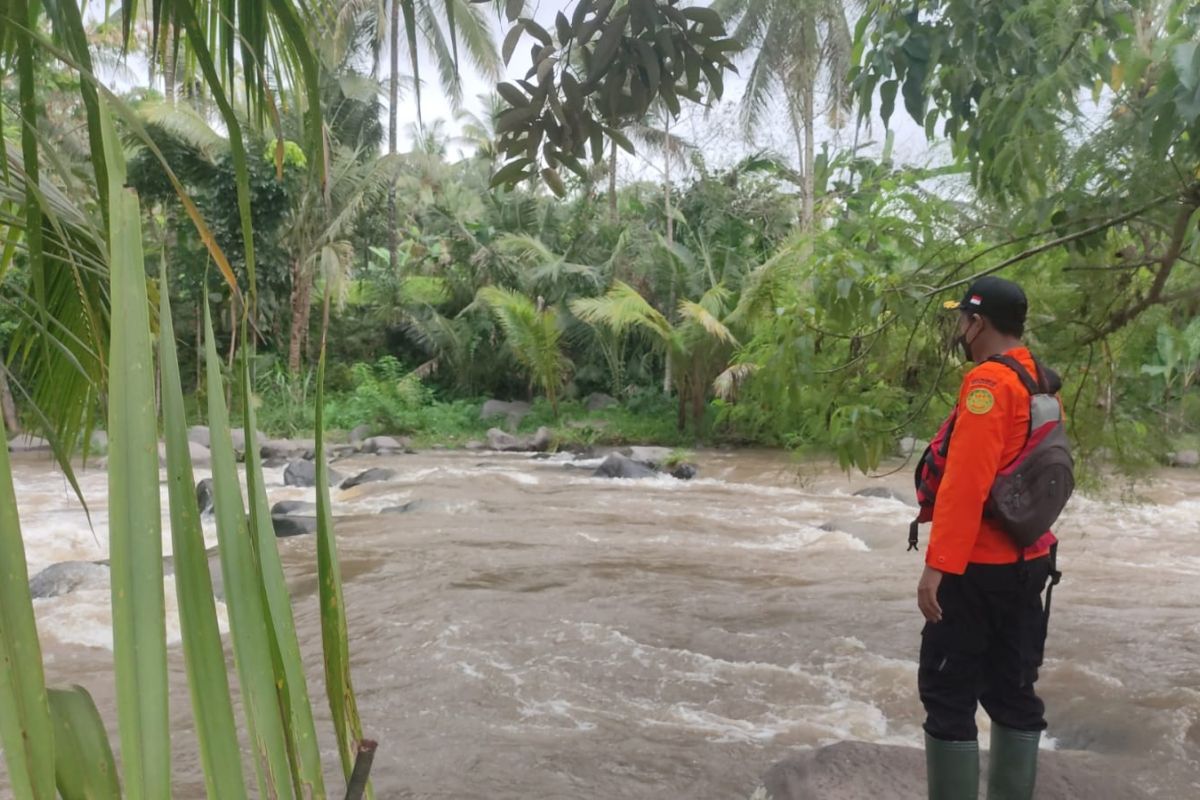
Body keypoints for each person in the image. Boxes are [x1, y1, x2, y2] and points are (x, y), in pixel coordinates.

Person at [917, 276, 1061, 800]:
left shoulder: (988, 385)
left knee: (947, 692)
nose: (959, 328)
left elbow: (965, 483)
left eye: (962, 319)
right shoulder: (1039, 380)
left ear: (978, 322)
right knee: (1013, 690)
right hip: (1032, 560)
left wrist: (939, 564)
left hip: (978, 568)